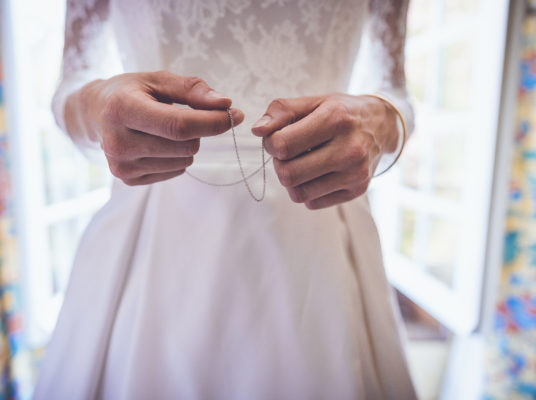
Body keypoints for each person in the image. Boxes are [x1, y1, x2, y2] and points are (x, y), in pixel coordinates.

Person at [34, 0, 417, 399]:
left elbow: (396, 92)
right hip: (153, 237)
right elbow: (72, 83)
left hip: (321, 232)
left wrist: (383, 122)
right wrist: (96, 107)